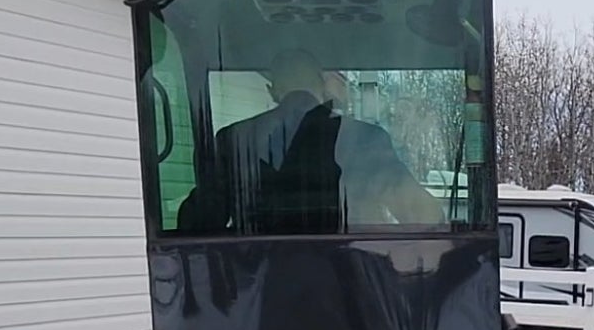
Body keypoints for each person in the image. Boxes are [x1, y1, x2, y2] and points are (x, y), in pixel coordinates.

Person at [180, 49, 445, 235]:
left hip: (258, 294)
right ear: (323, 86)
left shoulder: (234, 140)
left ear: (272, 91)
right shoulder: (365, 139)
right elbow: (423, 215)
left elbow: (197, 223)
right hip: (353, 288)